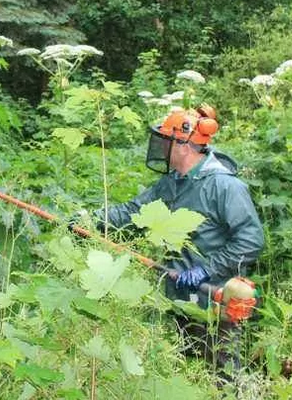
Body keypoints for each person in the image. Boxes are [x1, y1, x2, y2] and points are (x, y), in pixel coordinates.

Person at [93, 104, 265, 373]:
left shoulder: (224, 186)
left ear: (184, 146)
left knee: (222, 376)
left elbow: (251, 240)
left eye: (166, 141)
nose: (162, 147)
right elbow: (133, 211)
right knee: (184, 373)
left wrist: (206, 270)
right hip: (178, 299)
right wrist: (89, 219)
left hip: (214, 301)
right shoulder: (172, 182)